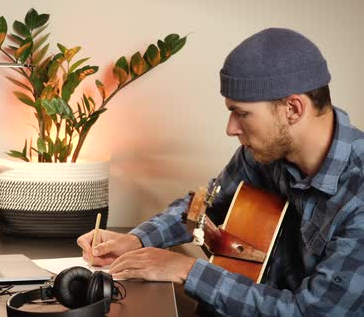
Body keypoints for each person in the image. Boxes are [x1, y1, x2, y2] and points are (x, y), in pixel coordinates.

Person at [77, 28, 364, 315]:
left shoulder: (359, 194)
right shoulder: (266, 152)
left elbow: (309, 312)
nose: (230, 129)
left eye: (242, 113)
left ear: (292, 108)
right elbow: (206, 207)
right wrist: (134, 241)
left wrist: (187, 270)